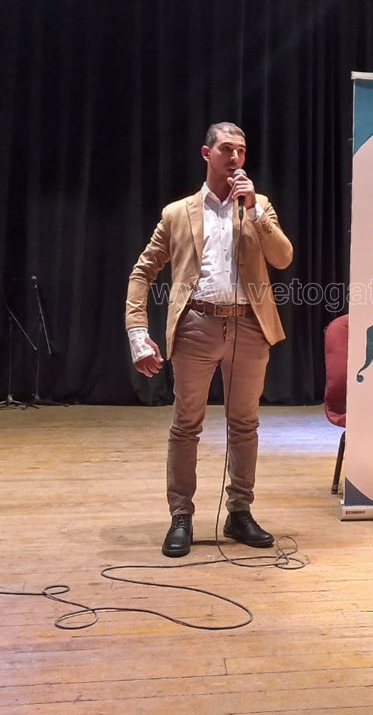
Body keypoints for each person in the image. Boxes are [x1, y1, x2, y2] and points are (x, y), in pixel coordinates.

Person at [125, 122, 294, 557]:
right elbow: (143, 272)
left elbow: (283, 257)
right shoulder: (177, 213)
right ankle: (181, 515)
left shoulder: (259, 206)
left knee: (245, 424)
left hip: (249, 326)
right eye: (226, 149)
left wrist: (254, 211)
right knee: (186, 425)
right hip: (196, 325)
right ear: (207, 153)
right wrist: (137, 331)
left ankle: (240, 512)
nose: (235, 157)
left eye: (242, 150)